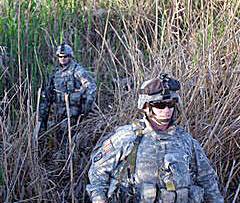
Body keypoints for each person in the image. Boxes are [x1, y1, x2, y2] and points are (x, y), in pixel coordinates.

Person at [86, 73, 224, 203]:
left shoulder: (185, 140)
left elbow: (207, 179)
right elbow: (97, 173)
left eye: (170, 105)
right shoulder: (127, 138)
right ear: (145, 107)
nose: (166, 110)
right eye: (159, 105)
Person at [39, 43, 96, 136]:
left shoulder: (77, 70)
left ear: (70, 56)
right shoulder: (55, 73)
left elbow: (91, 86)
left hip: (73, 111)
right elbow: (48, 92)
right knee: (56, 136)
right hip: (58, 112)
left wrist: (87, 106)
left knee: (67, 136)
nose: (62, 58)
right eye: (60, 56)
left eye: (65, 56)